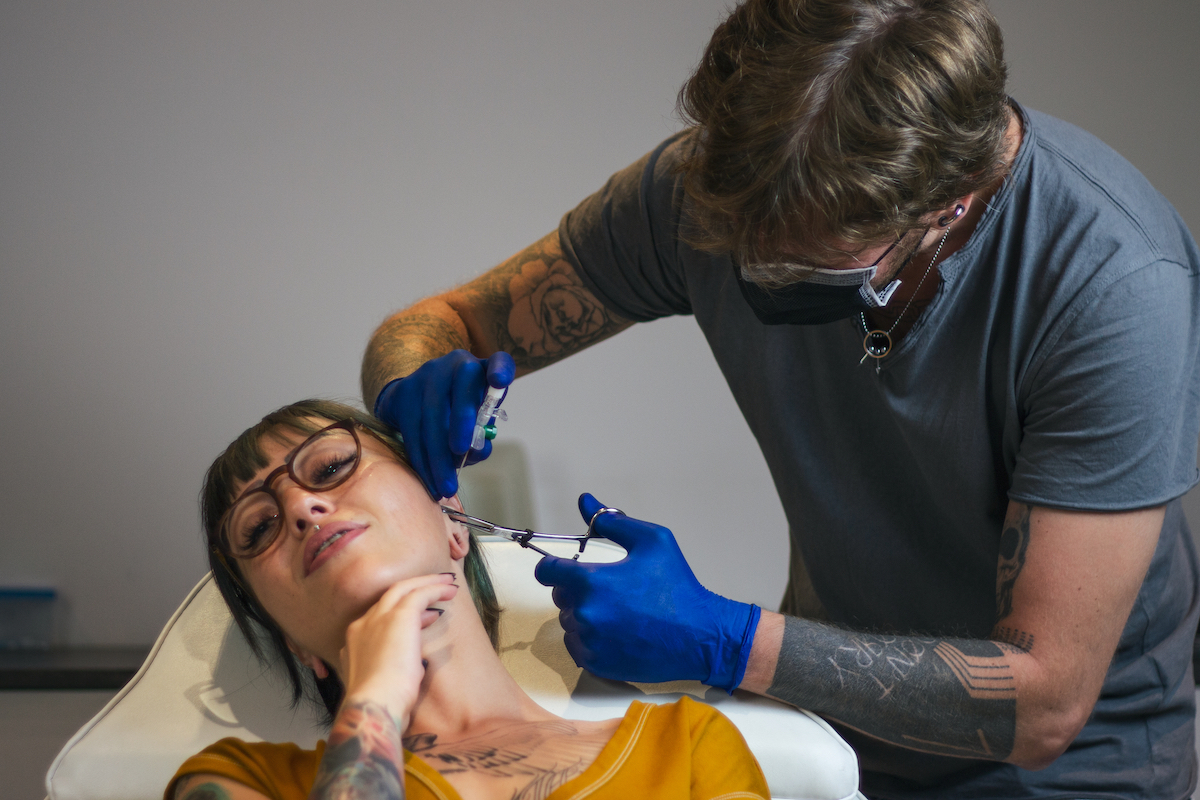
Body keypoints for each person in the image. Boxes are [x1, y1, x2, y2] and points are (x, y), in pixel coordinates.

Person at [360, 1, 1200, 797]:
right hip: (825, 734)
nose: (750, 268)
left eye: (800, 267)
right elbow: (444, 322)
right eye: (738, 243)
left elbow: (1044, 702)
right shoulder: (711, 192)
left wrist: (726, 640)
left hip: (1067, 770)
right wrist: (411, 377)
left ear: (946, 203)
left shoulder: (1114, 288)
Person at [165, 399, 769, 800]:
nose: (300, 507)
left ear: (452, 516)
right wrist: (374, 699)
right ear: (290, 640)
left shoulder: (686, 744)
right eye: (258, 528)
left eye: (330, 468)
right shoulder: (237, 782)